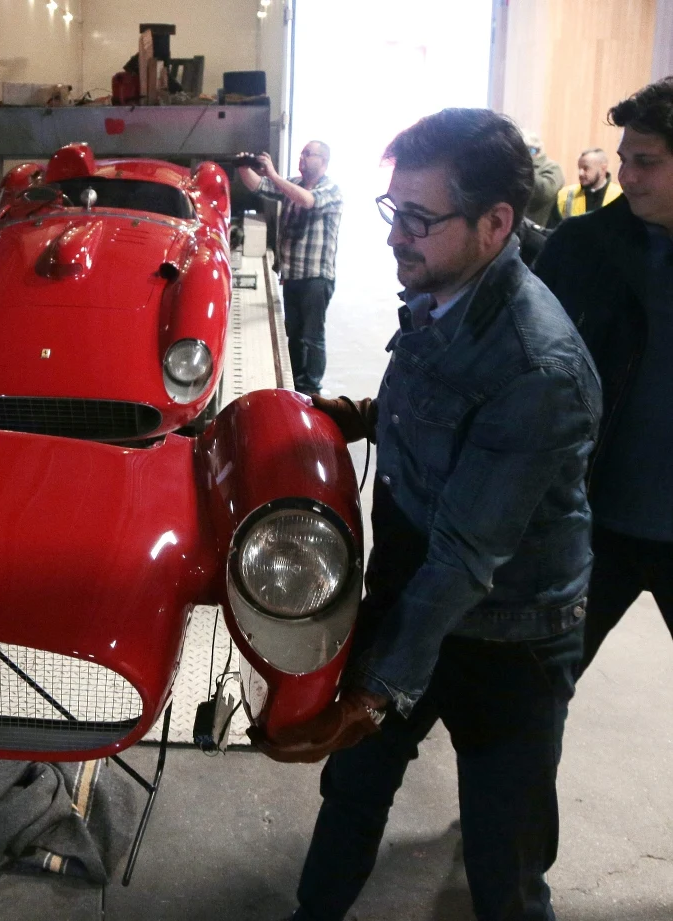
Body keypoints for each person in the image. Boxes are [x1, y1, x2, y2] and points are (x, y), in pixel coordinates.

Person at [257, 109, 601, 921]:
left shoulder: (537, 367)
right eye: (392, 211)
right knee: (353, 788)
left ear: (495, 223)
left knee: (502, 858)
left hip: (508, 633)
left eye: (418, 219)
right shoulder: (446, 293)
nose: (394, 237)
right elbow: (449, 411)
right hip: (416, 584)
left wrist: (372, 693)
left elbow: (466, 559)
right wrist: (365, 412)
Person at [534, 77, 673, 673]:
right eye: (624, 160)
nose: (628, 176)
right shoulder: (582, 248)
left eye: (646, 162)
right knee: (537, 689)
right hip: (591, 523)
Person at [236, 142, 343, 395]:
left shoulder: (331, 189)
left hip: (316, 278)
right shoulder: (293, 183)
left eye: (309, 154)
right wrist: (242, 167)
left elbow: (307, 201)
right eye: (301, 154)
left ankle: (313, 389)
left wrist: (273, 174)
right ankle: (295, 383)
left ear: (324, 161)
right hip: (293, 276)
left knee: (312, 337)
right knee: (294, 334)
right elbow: (260, 186)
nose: (302, 158)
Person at [549, 147, 622, 225]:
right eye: (579, 168)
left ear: (603, 168)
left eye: (585, 168)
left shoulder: (620, 196)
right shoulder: (565, 195)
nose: (580, 173)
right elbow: (553, 230)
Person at [523, 130, 566, 225]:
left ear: (538, 150)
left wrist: (525, 169)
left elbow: (544, 192)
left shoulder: (552, 167)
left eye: (529, 150)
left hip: (539, 227)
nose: (524, 154)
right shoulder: (518, 168)